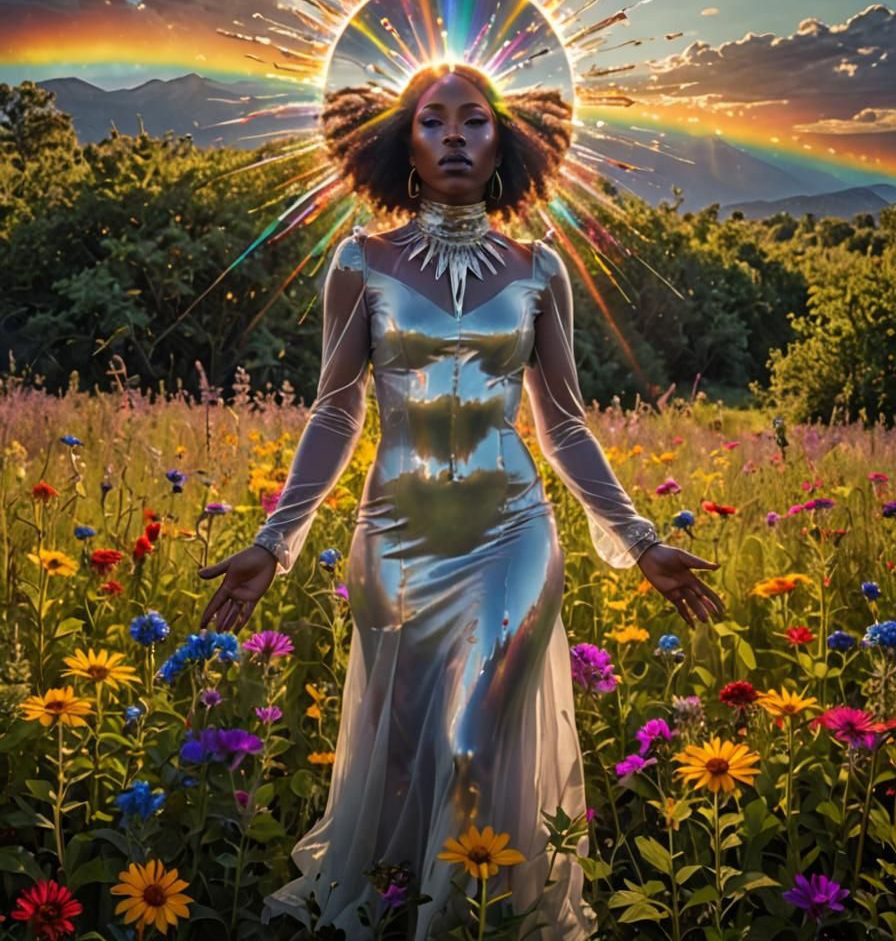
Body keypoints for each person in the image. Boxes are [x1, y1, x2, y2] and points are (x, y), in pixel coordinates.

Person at [198, 62, 724, 939]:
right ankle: (400, 906)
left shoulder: (539, 268)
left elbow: (564, 426)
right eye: (432, 120)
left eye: (474, 121)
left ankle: (472, 924)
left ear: (504, 142)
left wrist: (637, 539)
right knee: (405, 755)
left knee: (473, 742)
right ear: (401, 140)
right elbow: (337, 409)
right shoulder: (359, 260)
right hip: (395, 538)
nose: (452, 135)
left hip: (512, 534)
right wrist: (276, 539)